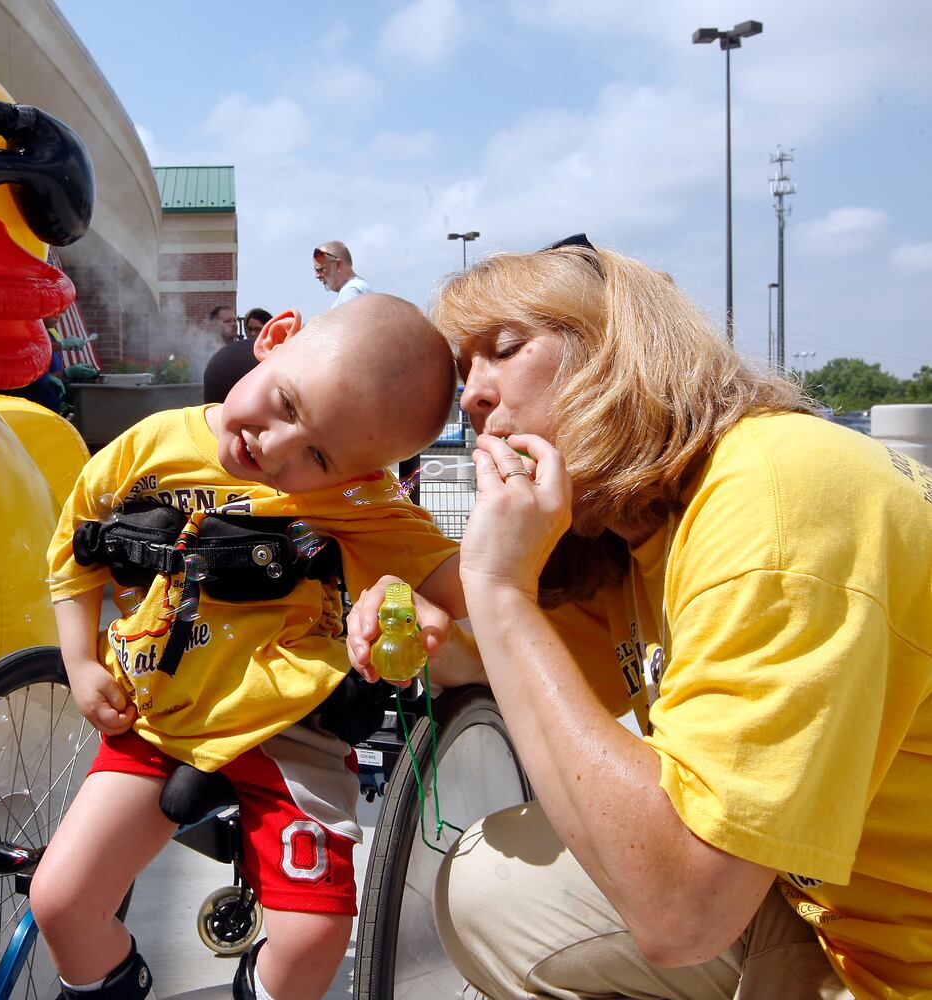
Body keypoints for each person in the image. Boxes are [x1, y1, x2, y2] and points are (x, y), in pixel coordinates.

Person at [347, 236, 932, 999]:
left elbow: (682, 911)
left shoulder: (776, 504)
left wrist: (498, 588)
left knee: (515, 888)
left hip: (899, 958)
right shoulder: (647, 530)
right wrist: (425, 634)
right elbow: (515, 668)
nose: (472, 396)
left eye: (503, 348)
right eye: (465, 372)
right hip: (835, 916)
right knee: (494, 888)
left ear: (617, 349)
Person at [33, 293, 463, 1000]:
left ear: (355, 471)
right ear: (276, 337)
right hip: (156, 717)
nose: (275, 447)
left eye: (316, 456)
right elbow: (74, 550)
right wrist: (80, 663)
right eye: (287, 405)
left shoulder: (355, 498)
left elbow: (460, 585)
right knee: (59, 900)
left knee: (315, 935)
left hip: (288, 727)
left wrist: (411, 595)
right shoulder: (146, 449)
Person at [202, 308, 288, 405]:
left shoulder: (277, 355)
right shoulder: (209, 352)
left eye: (257, 329)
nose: (252, 334)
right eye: (250, 329)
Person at [312, 241, 370, 307]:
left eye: (321, 269)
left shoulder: (350, 291)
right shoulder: (360, 287)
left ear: (338, 265)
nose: (317, 275)